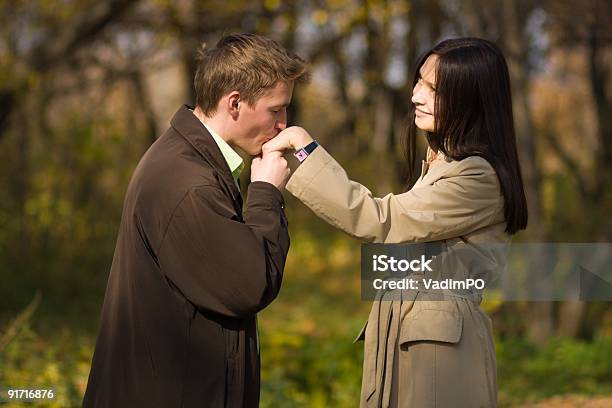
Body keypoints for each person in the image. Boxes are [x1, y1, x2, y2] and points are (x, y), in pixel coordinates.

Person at [263, 37, 528, 407]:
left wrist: (305, 151)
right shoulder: (442, 165)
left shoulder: (475, 177)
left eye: (435, 89)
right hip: (415, 335)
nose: (417, 95)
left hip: (441, 352)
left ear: (472, 99)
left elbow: (381, 220)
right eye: (419, 81)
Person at [83, 33, 308, 408]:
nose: (283, 123)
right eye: (276, 110)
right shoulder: (188, 183)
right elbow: (249, 284)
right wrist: (266, 192)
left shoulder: (191, 160)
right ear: (234, 103)